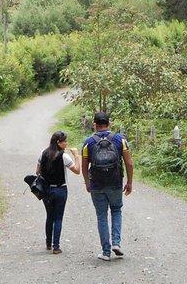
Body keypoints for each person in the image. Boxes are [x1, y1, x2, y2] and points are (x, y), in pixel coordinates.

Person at [82, 110, 133, 261]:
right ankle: (116, 243)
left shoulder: (88, 142)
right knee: (116, 210)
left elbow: (84, 166)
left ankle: (105, 252)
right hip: (115, 182)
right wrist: (129, 182)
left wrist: (87, 182)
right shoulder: (120, 139)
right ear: (109, 124)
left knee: (101, 215)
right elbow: (129, 163)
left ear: (95, 125)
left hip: (97, 184)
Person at [37, 130, 81, 254]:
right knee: (58, 218)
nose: (66, 143)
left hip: (46, 190)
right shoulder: (64, 156)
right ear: (58, 142)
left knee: (49, 216)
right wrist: (76, 156)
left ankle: (48, 243)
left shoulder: (43, 153)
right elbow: (77, 171)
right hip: (60, 189)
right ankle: (56, 246)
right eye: (64, 141)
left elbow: (37, 172)